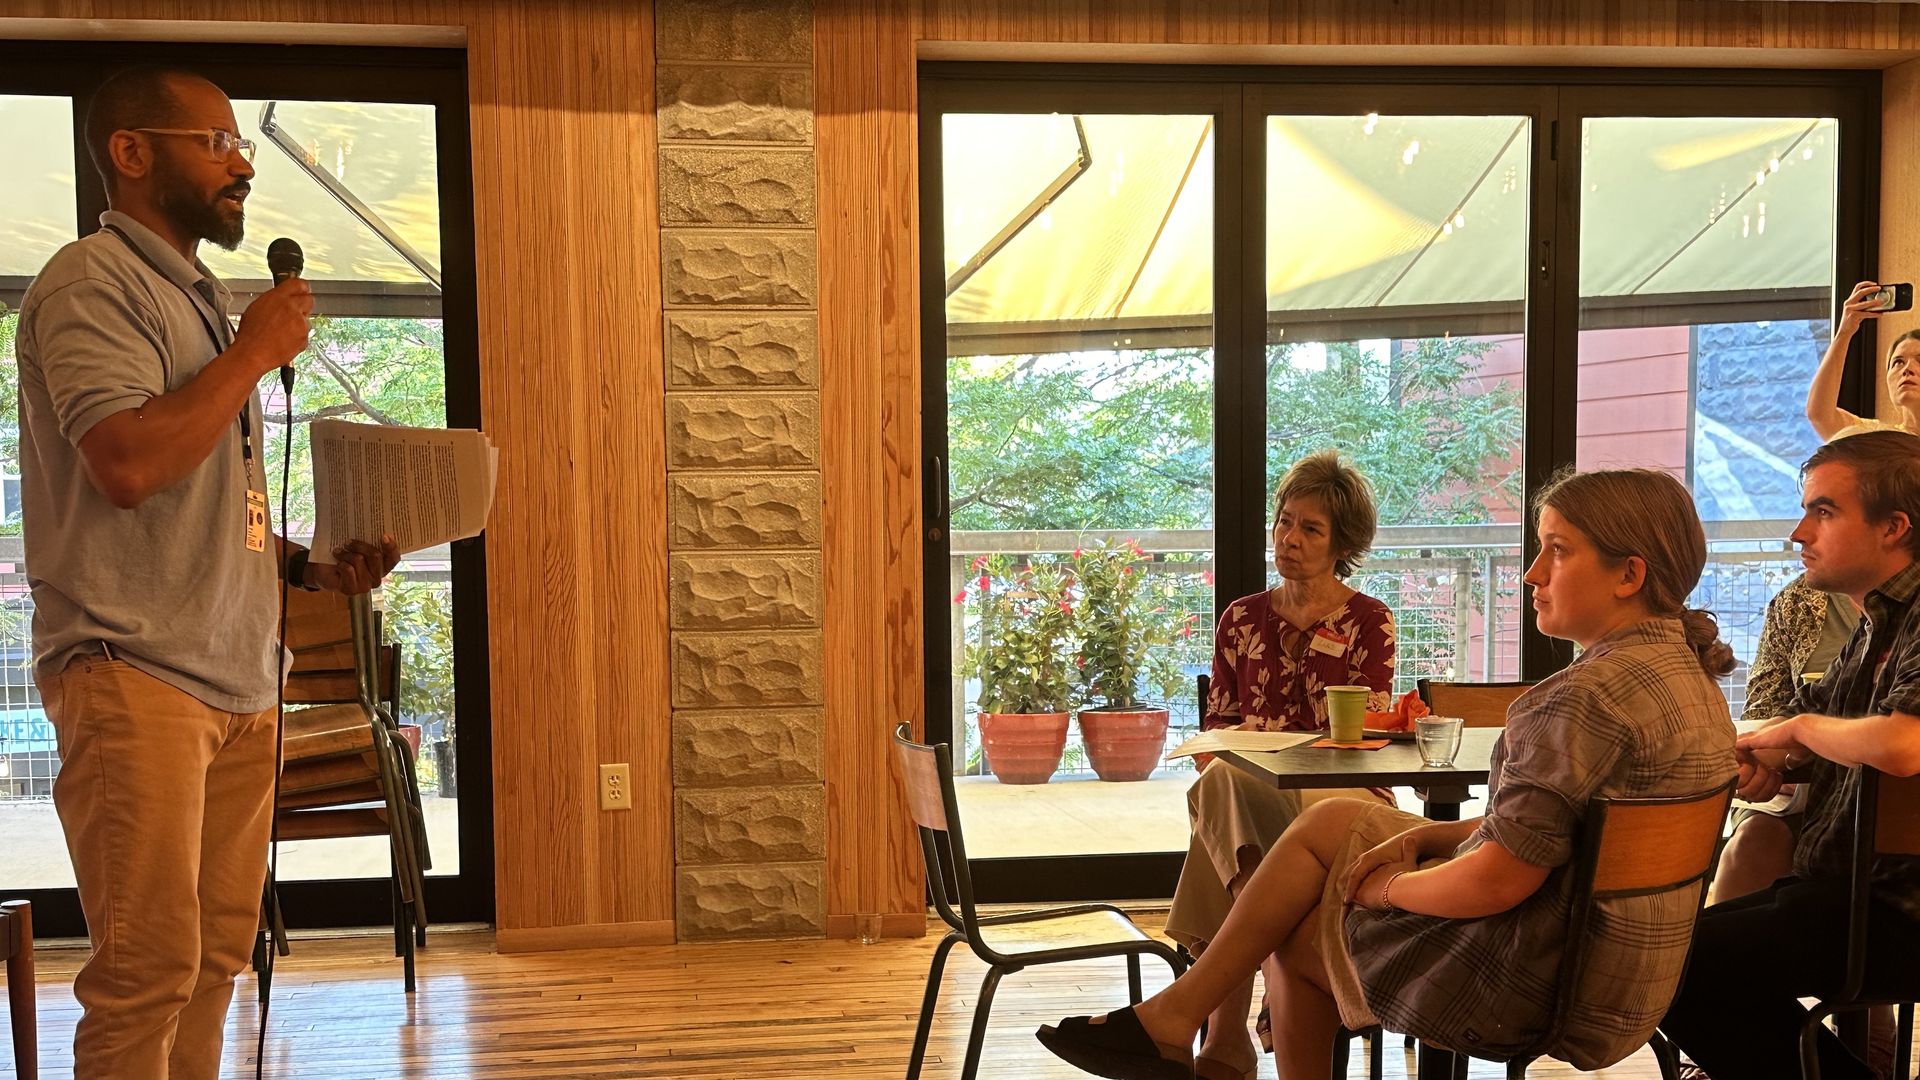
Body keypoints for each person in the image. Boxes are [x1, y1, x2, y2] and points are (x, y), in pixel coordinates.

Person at [1037, 468, 1737, 1079]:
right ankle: (1178, 1021)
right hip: (1625, 975)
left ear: (1628, 575)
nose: (1531, 573)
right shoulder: (1694, 683)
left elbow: (1497, 881)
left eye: (1556, 550)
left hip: (1527, 975)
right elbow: (1571, 832)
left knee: (1291, 928)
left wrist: (1387, 887)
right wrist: (1432, 836)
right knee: (1325, 818)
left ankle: (1188, 1025)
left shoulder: (1580, 699)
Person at [15, 67, 400, 1079]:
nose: (242, 166)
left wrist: (315, 568)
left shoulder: (202, 300)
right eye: (218, 142)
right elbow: (128, 464)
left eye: (243, 146)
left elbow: (211, 501)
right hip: (135, 670)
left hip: (239, 679)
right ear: (132, 151)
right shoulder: (91, 282)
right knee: (147, 972)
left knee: (219, 958)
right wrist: (250, 353)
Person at [1660, 430, 1920, 1080]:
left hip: (1897, 908)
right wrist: (1776, 757)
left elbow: (1905, 744)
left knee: (1675, 969)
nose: (1798, 533)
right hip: (1852, 893)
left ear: (1894, 527)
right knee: (1662, 958)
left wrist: (1798, 732)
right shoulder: (1877, 622)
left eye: (1823, 511)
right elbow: (1821, 732)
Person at [1163, 450, 1396, 1080]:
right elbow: (1218, 729)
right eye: (1284, 521)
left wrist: (1268, 730)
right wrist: (1233, 747)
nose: (1288, 539)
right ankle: (1240, 1006)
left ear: (1342, 544)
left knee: (1223, 811)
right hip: (1254, 791)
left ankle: (1226, 1040)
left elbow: (1357, 734)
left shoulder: (1369, 620)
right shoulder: (1241, 617)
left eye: (1310, 529)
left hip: (1343, 801)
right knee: (1223, 779)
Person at [1805, 280, 1920, 441]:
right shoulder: (1877, 439)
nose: (1907, 369)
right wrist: (1844, 332)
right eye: (1898, 362)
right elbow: (1820, 415)